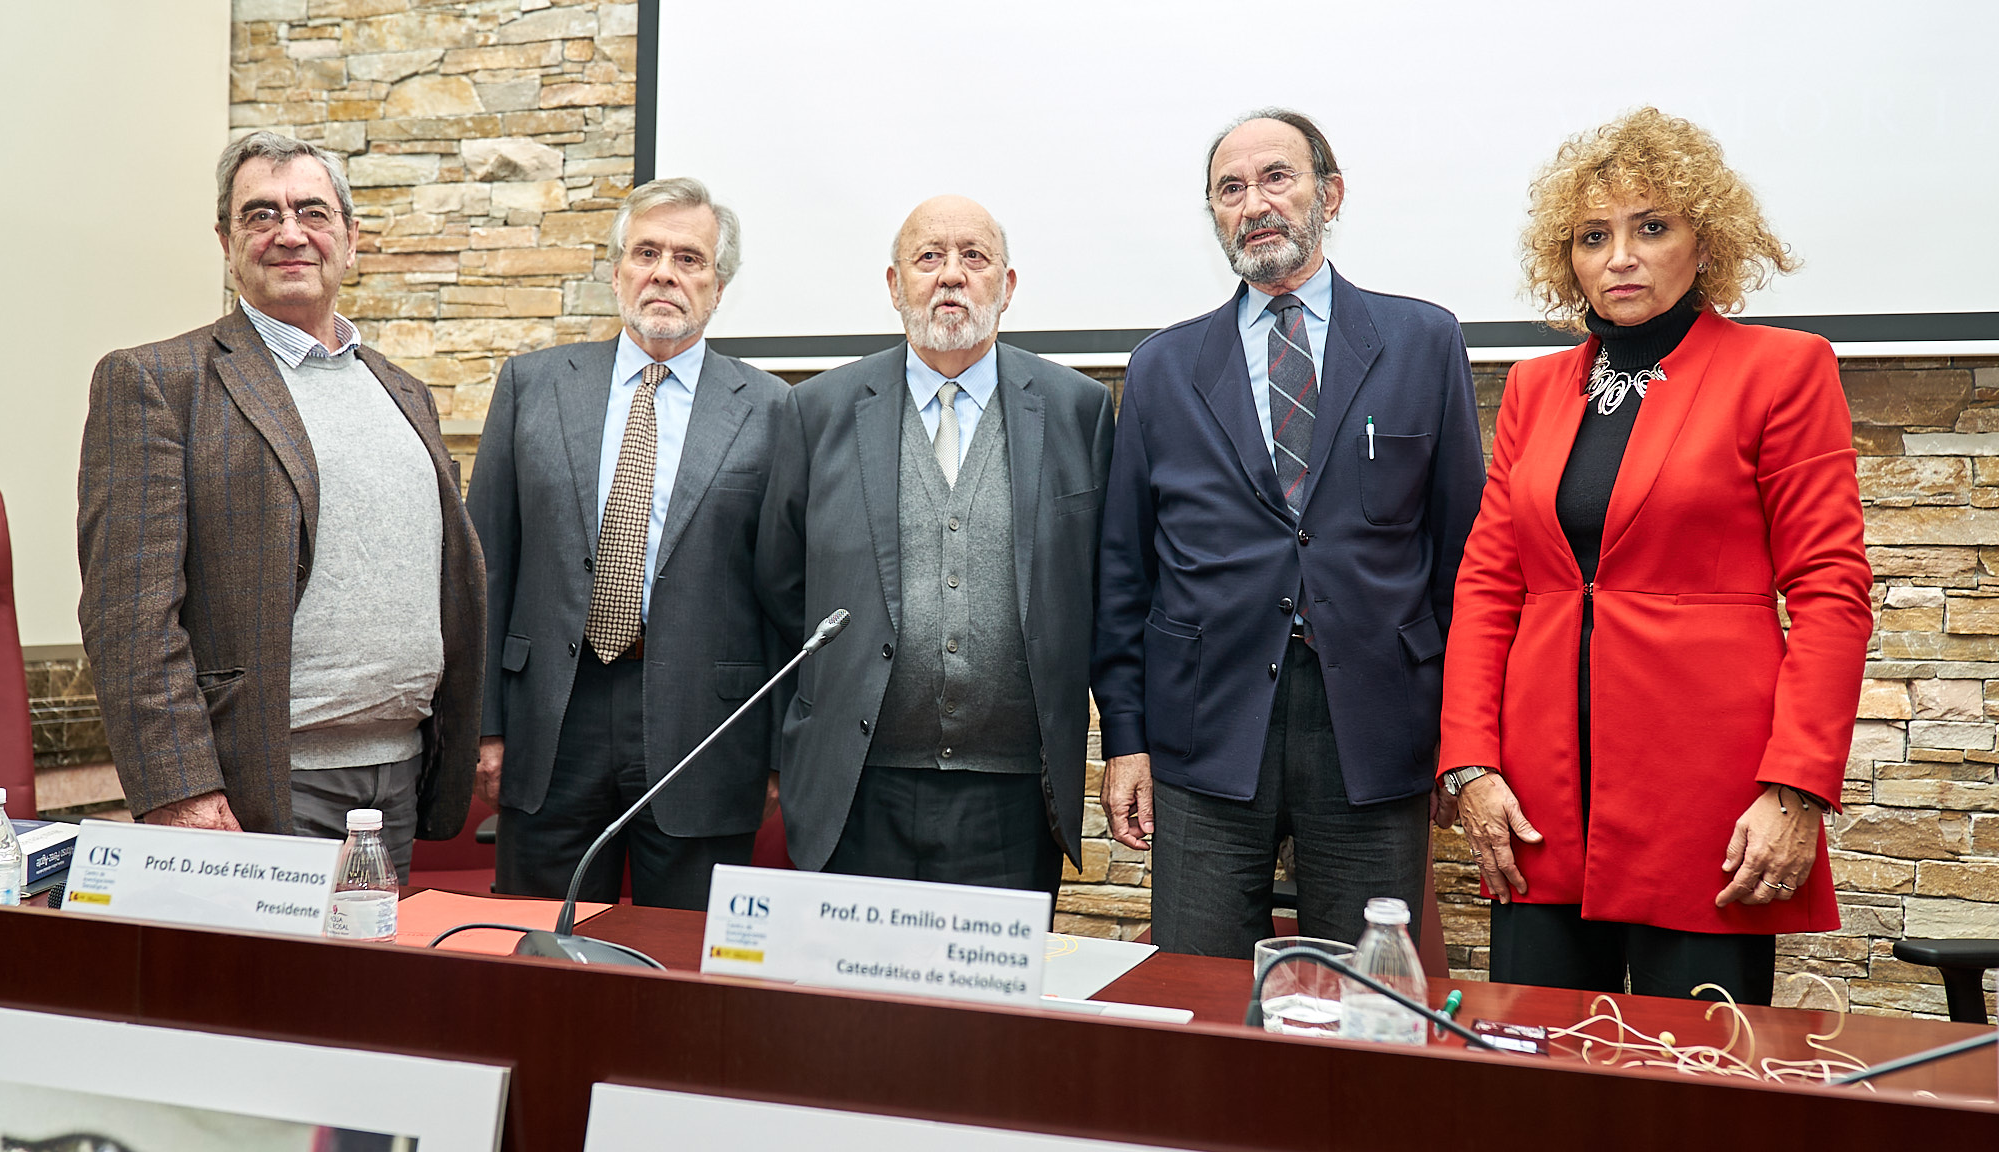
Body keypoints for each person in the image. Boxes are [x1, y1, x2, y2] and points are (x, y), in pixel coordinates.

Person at [1437, 108, 1872, 1004]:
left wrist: (1796, 788)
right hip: (1538, 807)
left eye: (1652, 227)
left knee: (1700, 1092)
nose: (1620, 258)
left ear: (1704, 242)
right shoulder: (1533, 387)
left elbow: (1830, 594)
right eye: (1594, 237)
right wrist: (1471, 765)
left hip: (1707, 801)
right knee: (1538, 1089)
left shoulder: (1783, 370)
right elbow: (1488, 586)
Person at [1093, 109, 1484, 957]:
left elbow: (1465, 560)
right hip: (1206, 724)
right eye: (1230, 190)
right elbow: (1124, 572)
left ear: (1329, 193)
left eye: (1277, 178)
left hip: (1377, 723)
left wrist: (1467, 740)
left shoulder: (1423, 341)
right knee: (1199, 997)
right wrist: (1124, 738)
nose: (1255, 203)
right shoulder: (1162, 367)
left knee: (1373, 1003)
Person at [78, 132, 485, 877]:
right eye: (260, 214)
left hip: (397, 775)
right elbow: (128, 616)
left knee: (368, 991)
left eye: (312, 212)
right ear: (226, 241)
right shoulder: (160, 382)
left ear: (351, 239)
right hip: (260, 783)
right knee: (270, 996)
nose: (289, 233)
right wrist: (180, 789)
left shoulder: (403, 392)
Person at [757, 195, 1114, 894]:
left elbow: (1105, 586)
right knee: (852, 1003)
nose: (951, 276)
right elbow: (781, 583)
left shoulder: (1079, 410)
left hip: (1013, 793)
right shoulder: (818, 410)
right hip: (856, 783)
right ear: (895, 286)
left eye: (974, 257)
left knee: (988, 1005)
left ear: (1006, 288)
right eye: (929, 258)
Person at [468, 178, 787, 907]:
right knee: (544, 954)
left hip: (706, 729)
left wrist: (775, 754)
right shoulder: (532, 386)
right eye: (646, 252)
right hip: (552, 718)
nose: (664, 273)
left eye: (689, 258)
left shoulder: (772, 409)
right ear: (616, 270)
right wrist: (484, 725)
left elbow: (786, 598)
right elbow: (486, 567)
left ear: (718, 284)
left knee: (683, 972)